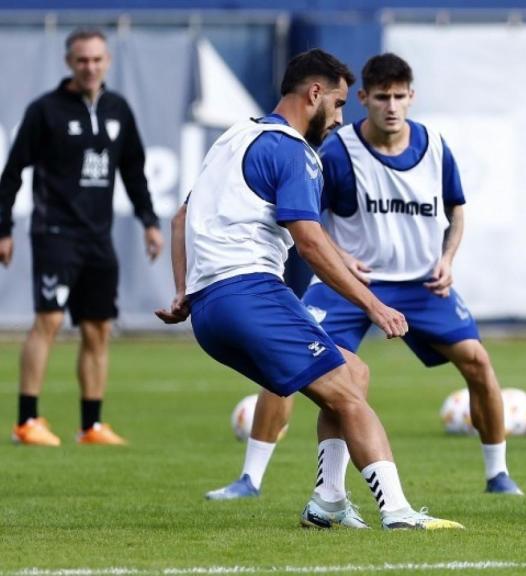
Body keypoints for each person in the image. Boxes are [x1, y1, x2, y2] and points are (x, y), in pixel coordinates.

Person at [156, 48, 462, 531]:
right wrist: (374, 305)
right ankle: (399, 513)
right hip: (250, 293)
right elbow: (311, 242)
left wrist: (182, 292)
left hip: (209, 311)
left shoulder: (234, 138)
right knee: (350, 397)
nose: (339, 119)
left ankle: (329, 500)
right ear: (314, 94)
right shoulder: (293, 150)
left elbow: (180, 219)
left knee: (352, 374)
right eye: (338, 105)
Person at [205, 52, 524, 502]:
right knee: (290, 359)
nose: (391, 106)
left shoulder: (435, 147)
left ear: (411, 97)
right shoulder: (337, 149)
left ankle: (498, 473)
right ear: (363, 99)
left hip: (419, 284)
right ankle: (250, 478)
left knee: (478, 362)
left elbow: (457, 209)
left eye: (399, 97)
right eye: (381, 97)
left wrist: (449, 258)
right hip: (351, 285)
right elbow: (307, 222)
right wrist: (339, 256)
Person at [1, 28, 164, 446]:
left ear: (107, 61)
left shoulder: (118, 110)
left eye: (96, 59)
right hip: (54, 232)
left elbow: (133, 170)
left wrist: (149, 220)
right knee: (49, 320)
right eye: (82, 60)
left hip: (98, 238)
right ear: (68, 62)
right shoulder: (46, 111)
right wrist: (3, 228)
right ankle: (27, 420)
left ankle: (91, 425)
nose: (89, 67)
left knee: (97, 329)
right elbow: (13, 170)